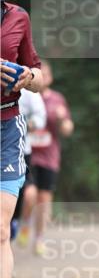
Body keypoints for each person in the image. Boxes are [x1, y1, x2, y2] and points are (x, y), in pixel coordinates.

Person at [0, 0, 44, 278]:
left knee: (0, 228)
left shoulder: (18, 18)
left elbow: (38, 71)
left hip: (6, 130)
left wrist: (27, 78)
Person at [16, 60, 74, 256]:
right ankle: (24, 224)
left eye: (46, 74)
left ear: (50, 77)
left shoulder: (57, 100)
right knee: (28, 195)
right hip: (26, 153)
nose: (43, 78)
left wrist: (61, 119)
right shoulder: (22, 95)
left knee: (44, 199)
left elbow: (67, 128)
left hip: (48, 156)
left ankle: (39, 238)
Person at [11, 88, 47, 240]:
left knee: (29, 194)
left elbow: (40, 118)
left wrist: (25, 124)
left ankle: (21, 222)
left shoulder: (28, 90)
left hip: (21, 151)